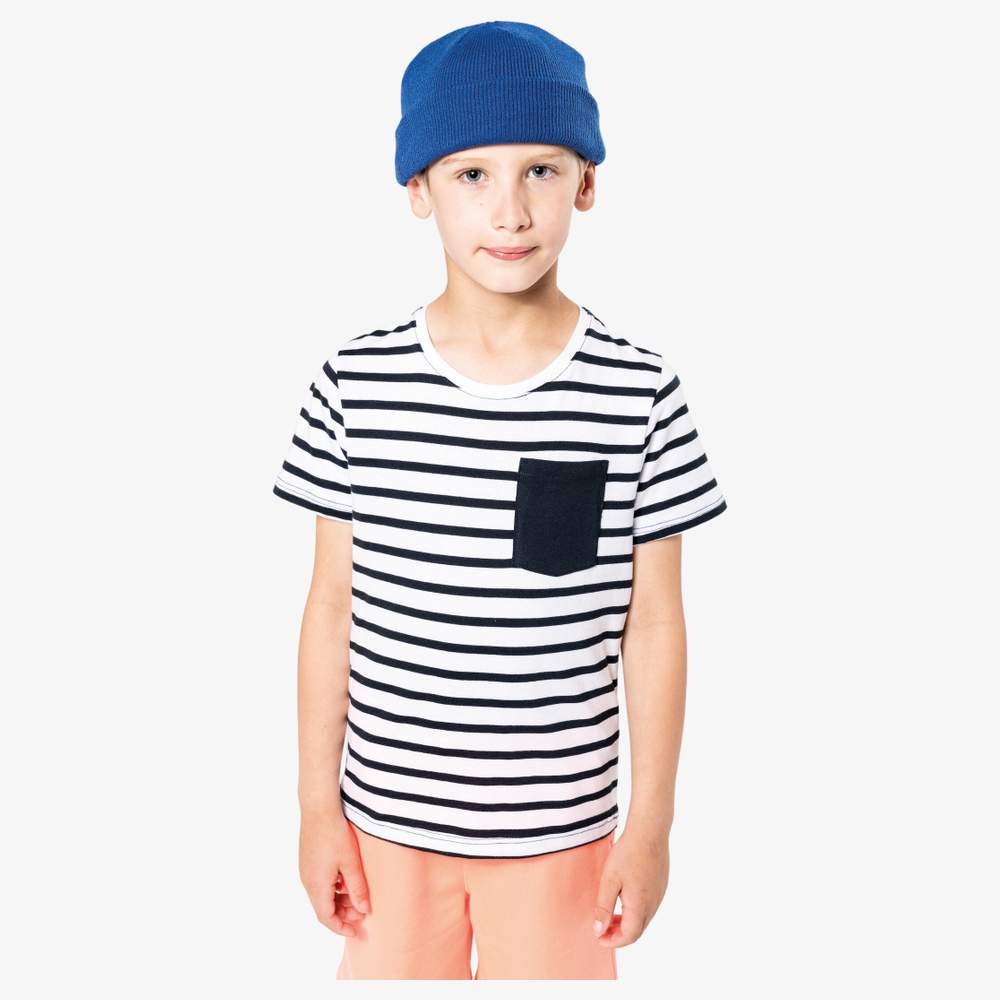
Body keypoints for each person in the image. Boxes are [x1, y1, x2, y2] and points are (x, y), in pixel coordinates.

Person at [272, 19, 728, 980]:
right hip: (388, 828)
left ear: (587, 182)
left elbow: (654, 622)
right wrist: (316, 808)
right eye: (472, 174)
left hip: (562, 832)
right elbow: (331, 606)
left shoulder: (639, 392)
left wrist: (651, 825)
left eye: (541, 171)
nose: (510, 211)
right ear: (419, 190)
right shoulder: (355, 385)